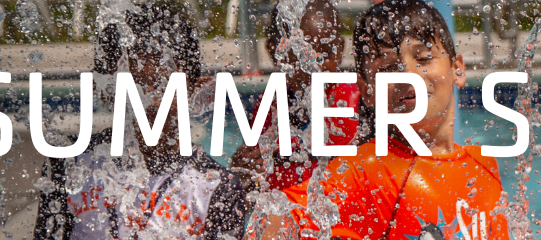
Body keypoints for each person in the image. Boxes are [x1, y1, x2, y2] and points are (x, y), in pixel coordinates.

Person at [306, 0, 513, 239]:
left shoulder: (484, 165)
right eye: (389, 67)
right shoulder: (363, 170)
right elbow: (281, 220)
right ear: (367, 92)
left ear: (457, 69)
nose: (409, 75)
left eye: (424, 58)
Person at [71, 2, 255, 239]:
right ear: (103, 89)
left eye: (162, 87)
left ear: (197, 89)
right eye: (137, 86)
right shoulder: (72, 165)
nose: (150, 103)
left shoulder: (215, 186)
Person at [235, 0, 358, 238]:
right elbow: (258, 181)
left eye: (326, 54)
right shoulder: (270, 105)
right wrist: (244, 173)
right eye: (302, 56)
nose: (315, 68)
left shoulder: (350, 102)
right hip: (288, 220)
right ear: (275, 52)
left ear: (340, 49)